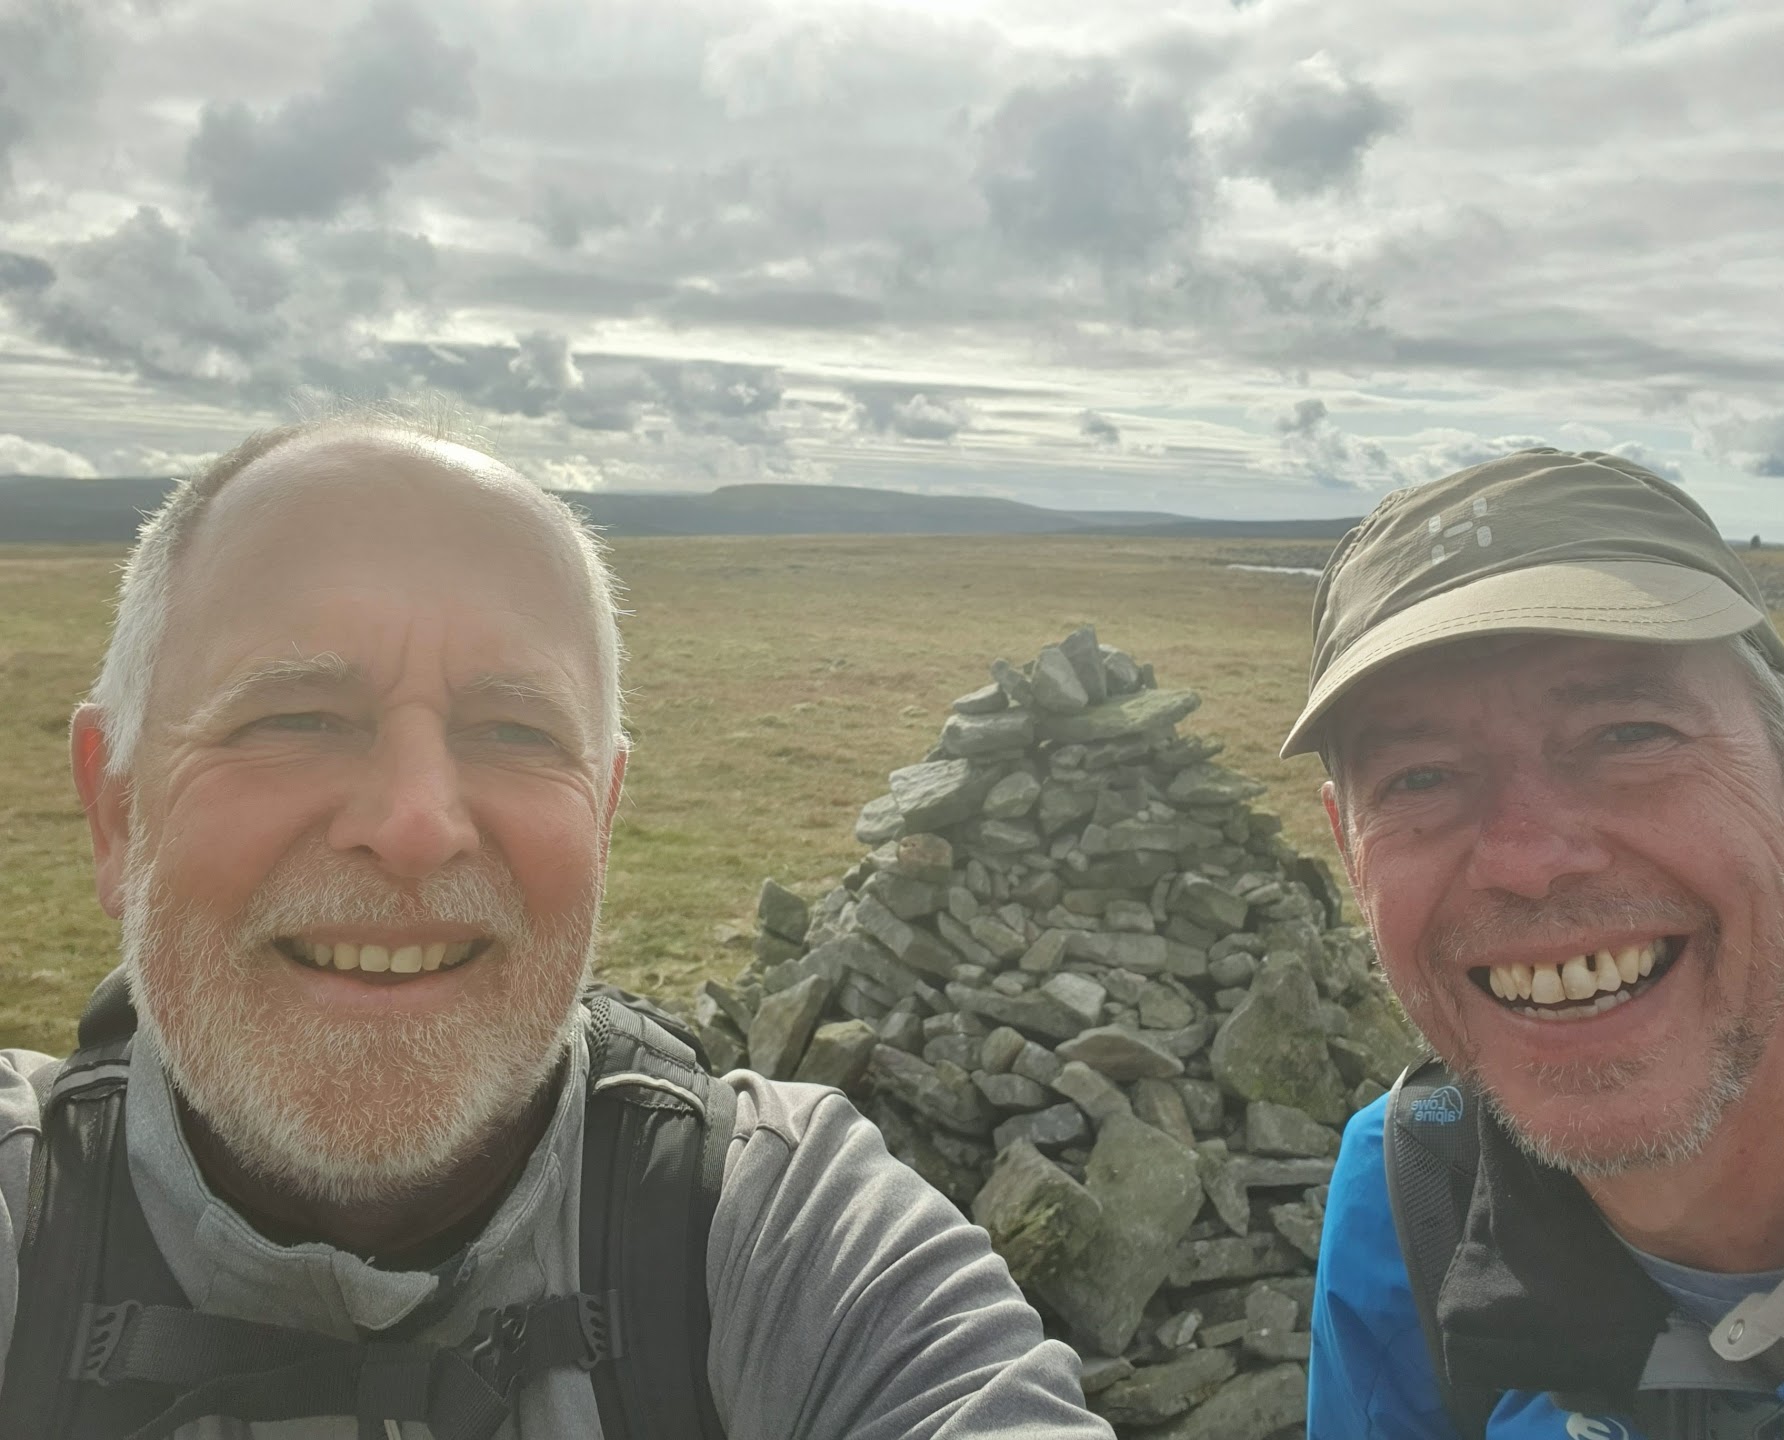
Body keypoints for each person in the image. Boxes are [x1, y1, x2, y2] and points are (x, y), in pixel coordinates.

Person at [0, 416, 1115, 1439]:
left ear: (604, 816)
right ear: (117, 812)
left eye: (517, 731)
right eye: (296, 716)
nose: (417, 824)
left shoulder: (790, 1237)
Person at [1293, 449, 1784, 1436]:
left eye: (1629, 734)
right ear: (1351, 852)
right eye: (1419, 778)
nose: (1528, 860)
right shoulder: (1409, 1191)